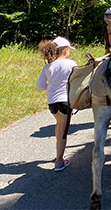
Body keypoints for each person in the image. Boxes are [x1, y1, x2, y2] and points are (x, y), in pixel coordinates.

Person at [36, 36, 77, 172]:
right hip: (65, 100)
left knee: (59, 125)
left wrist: (52, 87)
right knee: (63, 131)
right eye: (68, 49)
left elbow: (40, 85)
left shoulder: (48, 67)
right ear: (64, 50)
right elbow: (77, 81)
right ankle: (59, 161)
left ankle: (61, 152)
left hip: (52, 102)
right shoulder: (70, 63)